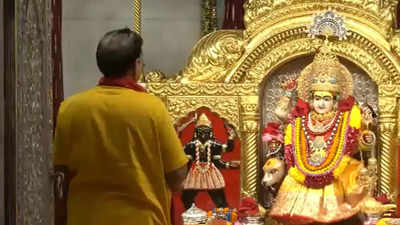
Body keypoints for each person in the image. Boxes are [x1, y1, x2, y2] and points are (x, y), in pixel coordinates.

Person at [53, 28, 188, 225]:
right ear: (136, 65)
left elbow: (59, 172)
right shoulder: (151, 108)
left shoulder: (70, 108)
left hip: (85, 218)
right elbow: (177, 177)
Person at [267, 43, 372, 225]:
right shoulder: (301, 120)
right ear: (311, 100)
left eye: (326, 99)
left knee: (350, 174)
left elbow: (358, 144)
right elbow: (281, 114)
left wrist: (366, 134)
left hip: (336, 173)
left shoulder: (345, 119)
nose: (321, 103)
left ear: (335, 101)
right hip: (304, 172)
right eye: (317, 98)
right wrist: (286, 92)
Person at [181, 113, 240, 209]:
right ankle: (192, 216)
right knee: (186, 197)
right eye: (200, 131)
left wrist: (229, 164)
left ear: (210, 132)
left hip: (211, 173)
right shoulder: (191, 146)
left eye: (206, 131)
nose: (203, 134)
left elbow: (224, 154)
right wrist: (183, 177)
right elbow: (187, 162)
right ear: (196, 132)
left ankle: (223, 215)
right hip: (195, 174)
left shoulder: (214, 145)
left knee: (220, 199)